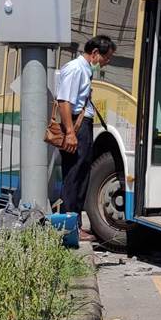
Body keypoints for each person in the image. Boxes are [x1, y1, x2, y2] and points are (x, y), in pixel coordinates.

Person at [56, 35, 115, 241]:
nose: (106, 62)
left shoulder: (84, 70)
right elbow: (64, 102)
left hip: (82, 125)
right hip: (75, 126)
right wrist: (70, 132)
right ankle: (69, 227)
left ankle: (76, 225)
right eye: (106, 58)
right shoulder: (75, 69)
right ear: (95, 53)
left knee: (82, 175)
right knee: (73, 176)